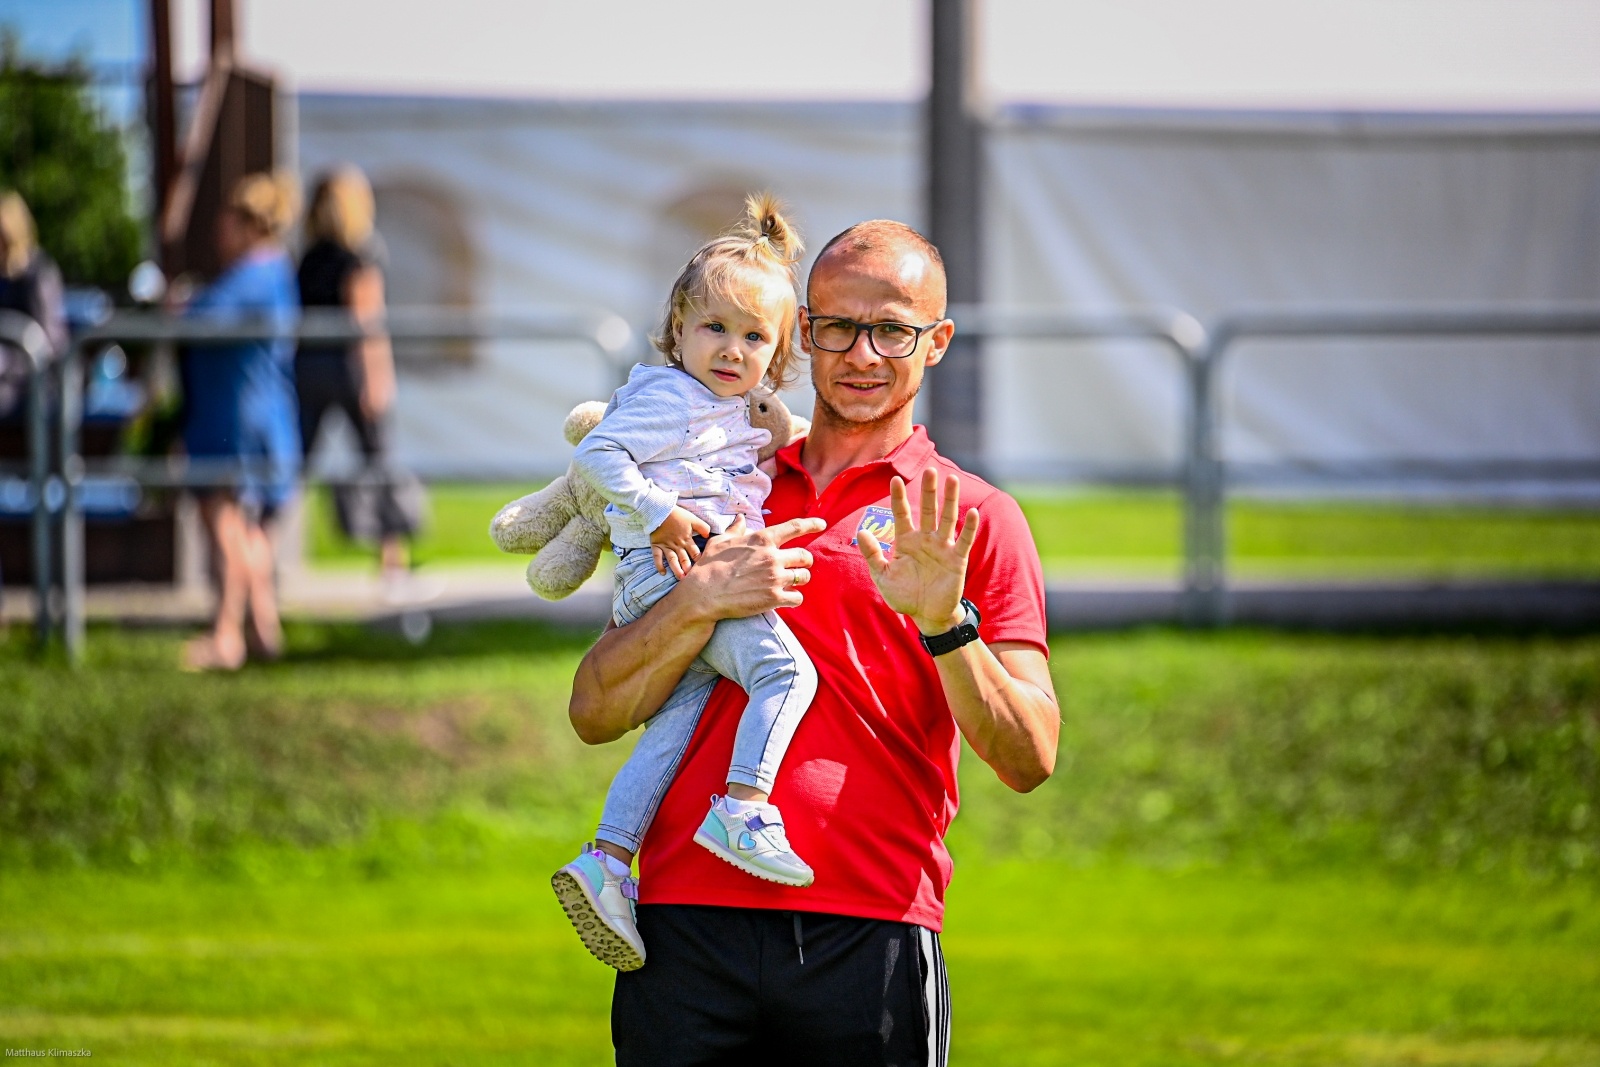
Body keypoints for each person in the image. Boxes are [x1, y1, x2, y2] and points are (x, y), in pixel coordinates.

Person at [567, 219, 1060, 1066]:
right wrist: (699, 600)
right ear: (802, 329)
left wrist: (947, 624)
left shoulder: (971, 516)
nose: (862, 353)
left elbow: (1029, 755)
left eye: (893, 329)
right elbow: (595, 710)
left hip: (869, 927)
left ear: (935, 340)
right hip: (685, 918)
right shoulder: (715, 479)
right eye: (836, 326)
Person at [551, 195, 820, 972]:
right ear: (677, 329)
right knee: (784, 669)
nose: (732, 349)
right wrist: (660, 512)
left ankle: (606, 862)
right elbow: (599, 456)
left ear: (775, 354)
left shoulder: (723, 407)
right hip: (669, 566)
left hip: (676, 571)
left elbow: (752, 454)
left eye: (754, 337)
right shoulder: (671, 395)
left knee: (676, 726)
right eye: (714, 328)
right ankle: (743, 807)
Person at [177, 172, 301, 671]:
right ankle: (263, 629)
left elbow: (203, 316)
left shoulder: (256, 272)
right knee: (251, 533)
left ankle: (227, 635)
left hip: (238, 419)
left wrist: (180, 304)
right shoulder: (273, 272)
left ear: (248, 222)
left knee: (227, 524)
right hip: (255, 415)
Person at [295, 166, 413, 584]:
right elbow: (368, 323)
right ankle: (391, 557)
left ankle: (264, 543)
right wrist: (378, 377)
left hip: (307, 368)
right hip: (348, 368)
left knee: (294, 462)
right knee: (377, 458)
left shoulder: (307, 257)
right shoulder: (359, 256)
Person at [0, 190, 67, 419]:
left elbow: (48, 340)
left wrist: (7, 362)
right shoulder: (4, 278)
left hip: (35, 380)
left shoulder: (38, 275)